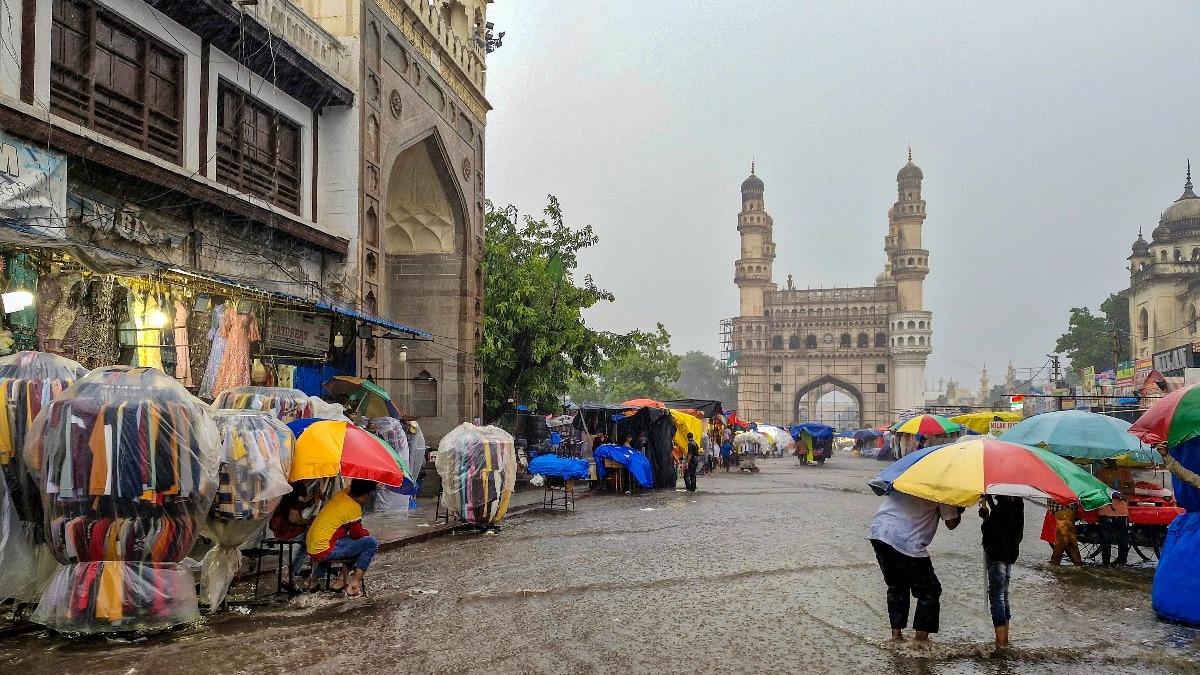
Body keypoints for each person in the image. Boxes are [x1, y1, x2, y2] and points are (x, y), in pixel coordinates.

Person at [869, 491, 962, 643]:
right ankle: (919, 642)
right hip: (906, 538)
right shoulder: (944, 487)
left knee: (897, 586)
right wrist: (960, 507)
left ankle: (896, 636)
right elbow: (951, 523)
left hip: (879, 530)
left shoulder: (910, 476)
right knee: (930, 591)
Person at [305, 479, 380, 596]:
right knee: (370, 543)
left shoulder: (342, 494)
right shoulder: (353, 507)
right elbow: (357, 534)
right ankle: (354, 584)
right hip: (325, 549)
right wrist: (365, 533)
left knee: (352, 543)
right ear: (365, 495)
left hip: (312, 546)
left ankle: (315, 581)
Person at [979, 495, 1023, 647]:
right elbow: (1007, 525)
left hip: (997, 554)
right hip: (1010, 553)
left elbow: (992, 530)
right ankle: (1005, 638)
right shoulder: (1017, 501)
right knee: (1004, 595)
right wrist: (990, 502)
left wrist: (986, 518)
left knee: (997, 597)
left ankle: (1001, 641)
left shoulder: (1004, 505)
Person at [269, 481, 318, 590]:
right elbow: (294, 517)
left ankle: (292, 575)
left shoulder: (286, 483)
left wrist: (311, 502)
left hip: (277, 526)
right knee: (311, 539)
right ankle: (290, 575)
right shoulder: (298, 487)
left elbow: (293, 505)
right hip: (286, 530)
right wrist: (308, 522)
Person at [1094, 458, 1134, 566]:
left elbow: (1132, 489)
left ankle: (1122, 563)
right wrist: (1112, 492)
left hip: (1121, 511)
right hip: (1105, 509)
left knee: (1123, 539)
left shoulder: (1125, 472)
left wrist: (1121, 492)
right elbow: (1100, 489)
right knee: (1105, 539)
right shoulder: (1101, 473)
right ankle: (1106, 563)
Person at [1048, 500, 1082, 566]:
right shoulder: (1071, 491)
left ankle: (1054, 564)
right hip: (1069, 518)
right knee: (1072, 544)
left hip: (1061, 518)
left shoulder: (1053, 491)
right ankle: (1078, 564)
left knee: (1061, 543)